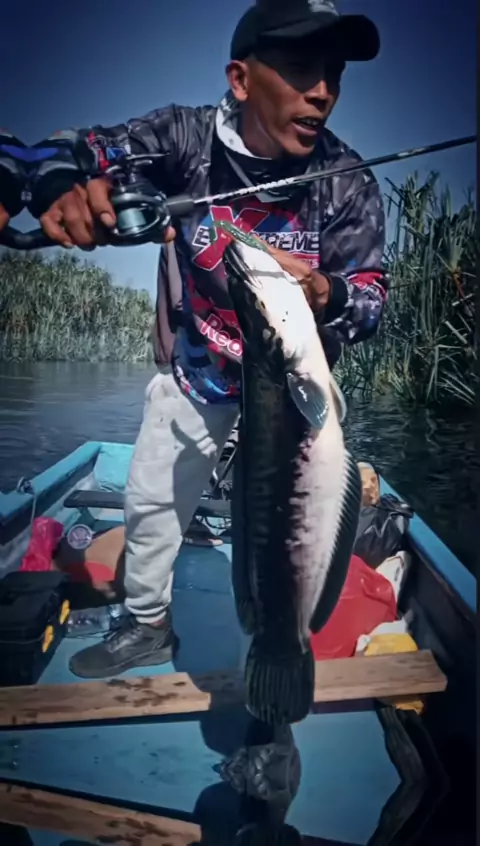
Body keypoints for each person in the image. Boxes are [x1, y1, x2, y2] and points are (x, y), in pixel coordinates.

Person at [30, 0, 389, 679]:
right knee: (151, 500)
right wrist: (61, 180)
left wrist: (326, 292)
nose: (323, 91)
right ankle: (147, 623)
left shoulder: (348, 182)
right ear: (241, 79)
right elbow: (77, 148)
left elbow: (370, 301)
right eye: (301, 67)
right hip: (201, 372)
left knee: (285, 534)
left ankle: (277, 656)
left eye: (335, 73)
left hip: (296, 402)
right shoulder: (185, 138)